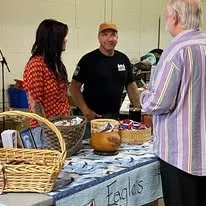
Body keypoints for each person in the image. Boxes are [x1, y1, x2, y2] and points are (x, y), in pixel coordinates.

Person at [140, 0, 206, 205]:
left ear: (175, 17)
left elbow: (159, 102)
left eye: (166, 15)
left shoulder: (176, 51)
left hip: (181, 156)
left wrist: (143, 95)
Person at [69, 22, 140, 138]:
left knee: (113, 149)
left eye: (113, 35)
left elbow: (131, 85)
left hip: (114, 120)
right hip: (92, 121)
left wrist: (139, 109)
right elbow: (73, 87)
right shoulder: (88, 60)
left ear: (117, 38)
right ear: (99, 38)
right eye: (105, 35)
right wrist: (86, 111)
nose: (109, 39)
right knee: (89, 153)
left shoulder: (123, 59)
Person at [23, 19, 70, 144]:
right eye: (62, 37)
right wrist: (49, 131)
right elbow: (35, 104)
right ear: (53, 39)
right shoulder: (37, 65)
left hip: (61, 127)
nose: (65, 40)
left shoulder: (56, 64)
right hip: (45, 132)